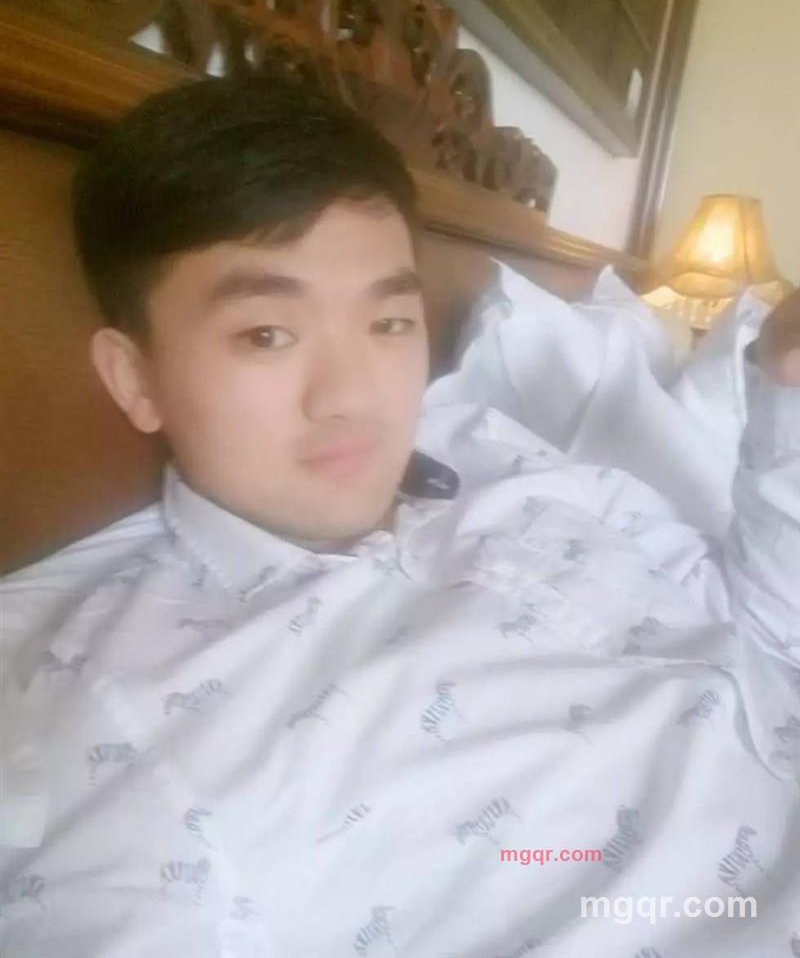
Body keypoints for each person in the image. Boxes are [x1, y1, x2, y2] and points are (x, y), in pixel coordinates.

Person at [0, 74, 798, 958]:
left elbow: (762, 643)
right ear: (134, 378)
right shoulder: (132, 742)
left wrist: (787, 394)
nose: (354, 397)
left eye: (388, 323)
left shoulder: (508, 460)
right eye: (267, 334)